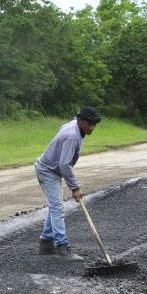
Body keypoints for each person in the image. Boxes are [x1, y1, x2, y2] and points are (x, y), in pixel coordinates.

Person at [34, 106, 101, 260]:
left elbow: (61, 130)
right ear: (81, 122)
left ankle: (46, 243)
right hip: (47, 170)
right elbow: (65, 165)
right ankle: (62, 246)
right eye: (90, 124)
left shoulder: (73, 126)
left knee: (55, 206)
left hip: (51, 169)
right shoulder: (72, 135)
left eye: (94, 124)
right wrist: (75, 188)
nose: (92, 127)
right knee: (57, 207)